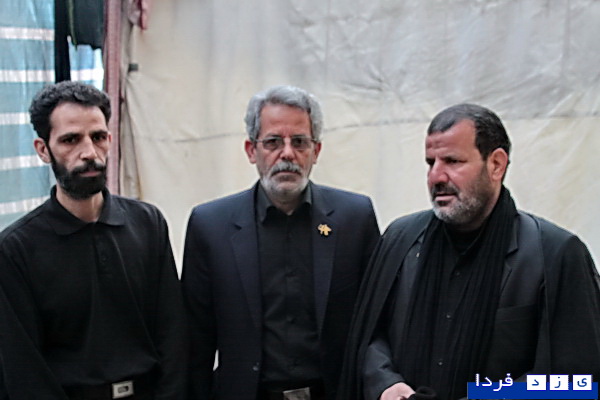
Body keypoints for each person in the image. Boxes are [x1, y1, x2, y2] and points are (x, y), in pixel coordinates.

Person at [338, 103, 600, 400]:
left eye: (452, 161)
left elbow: (575, 380)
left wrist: (486, 396)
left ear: (496, 164)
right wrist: (385, 384)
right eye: (430, 162)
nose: (436, 177)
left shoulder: (555, 254)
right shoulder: (401, 241)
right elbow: (368, 333)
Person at [181, 85, 380, 400]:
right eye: (273, 142)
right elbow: (195, 340)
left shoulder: (354, 219)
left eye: (299, 142)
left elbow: (376, 324)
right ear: (251, 150)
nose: (287, 154)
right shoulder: (211, 226)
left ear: (316, 151)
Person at [0, 81, 187, 400]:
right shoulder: (17, 249)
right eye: (70, 140)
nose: (89, 153)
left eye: (98, 137)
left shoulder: (147, 223)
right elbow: (24, 369)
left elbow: (173, 334)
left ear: (110, 140)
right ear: (43, 149)